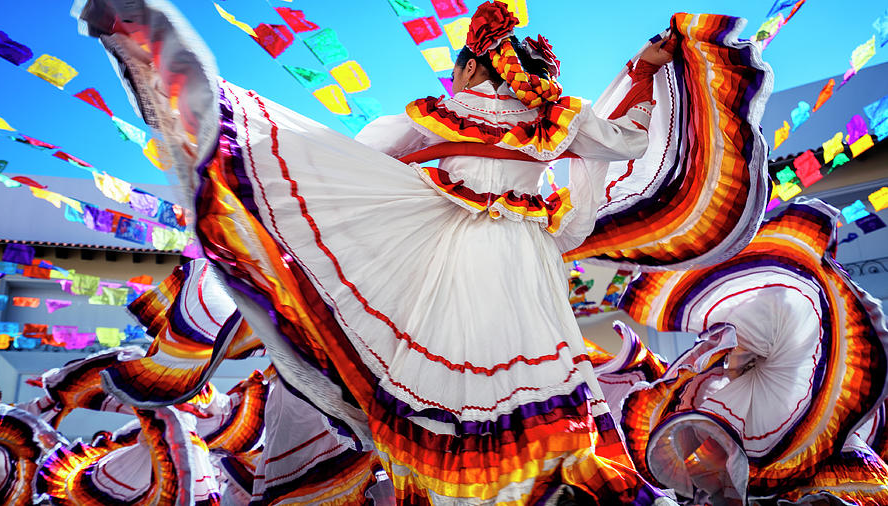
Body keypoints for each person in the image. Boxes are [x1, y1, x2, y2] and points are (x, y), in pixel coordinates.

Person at [73, 1, 771, 503]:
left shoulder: (433, 117)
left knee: (441, 392)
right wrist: (647, 70)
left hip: (452, 257)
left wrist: (341, 192)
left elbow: (351, 159)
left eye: (462, 63)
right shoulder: (560, 121)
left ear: (475, 61)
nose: (459, 76)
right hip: (521, 264)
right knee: (522, 392)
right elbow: (623, 140)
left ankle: (156, 43)